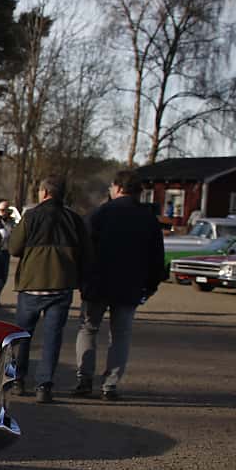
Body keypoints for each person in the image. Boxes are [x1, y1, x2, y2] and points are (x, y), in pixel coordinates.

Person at [72, 169, 167, 398]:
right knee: (121, 335)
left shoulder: (98, 215)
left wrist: (81, 279)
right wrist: (151, 286)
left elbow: (82, 251)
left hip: (97, 284)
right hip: (130, 286)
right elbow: (157, 258)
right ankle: (110, 384)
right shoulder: (148, 220)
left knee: (88, 329)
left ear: (117, 188)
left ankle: (84, 380)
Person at [6, 176, 90, 402]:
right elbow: (85, 252)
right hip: (61, 287)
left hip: (32, 285)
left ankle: (18, 380)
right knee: (53, 337)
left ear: (44, 193)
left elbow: (14, 248)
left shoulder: (31, 216)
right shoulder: (74, 219)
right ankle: (44, 386)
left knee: (23, 336)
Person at [0, 203, 17, 307]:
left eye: (3, 210)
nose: (1, 212)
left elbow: (13, 234)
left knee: (3, 277)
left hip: (6, 251)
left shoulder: (11, 222)